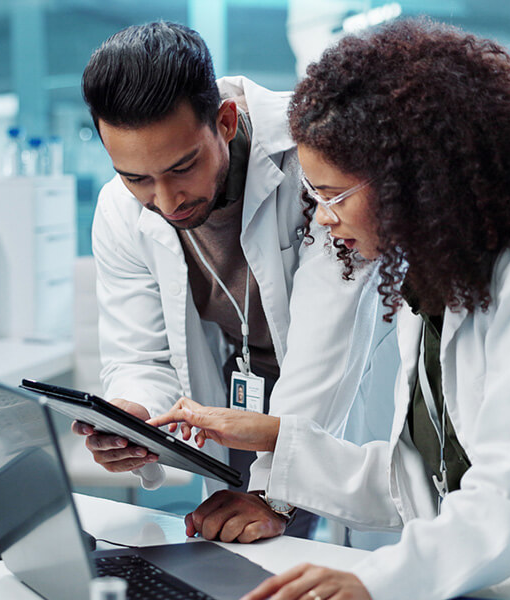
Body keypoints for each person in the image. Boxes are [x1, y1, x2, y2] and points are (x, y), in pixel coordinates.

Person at [149, 19, 510, 600]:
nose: (320, 218)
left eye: (333, 195)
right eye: (313, 196)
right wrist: (276, 438)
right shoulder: (431, 284)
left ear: (410, 181)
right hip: (505, 581)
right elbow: (420, 486)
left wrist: (374, 580)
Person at [76, 21, 396, 541]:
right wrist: (132, 418)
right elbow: (140, 356)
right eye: (136, 177)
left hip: (348, 384)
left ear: (225, 121)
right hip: (245, 390)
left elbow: (328, 342)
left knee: (357, 555)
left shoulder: (315, 152)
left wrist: (273, 494)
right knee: (245, 556)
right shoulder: (119, 209)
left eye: (182, 167)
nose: (165, 200)